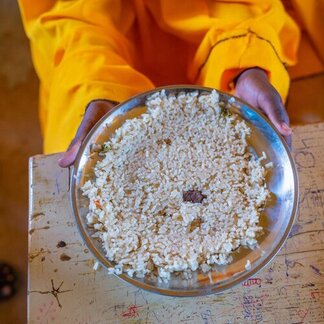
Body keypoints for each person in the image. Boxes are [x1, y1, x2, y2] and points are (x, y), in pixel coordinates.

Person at [19, 0, 305, 166]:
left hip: (214, 45)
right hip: (99, 58)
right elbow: (70, 13)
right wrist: (99, 88)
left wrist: (243, 62)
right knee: (76, 158)